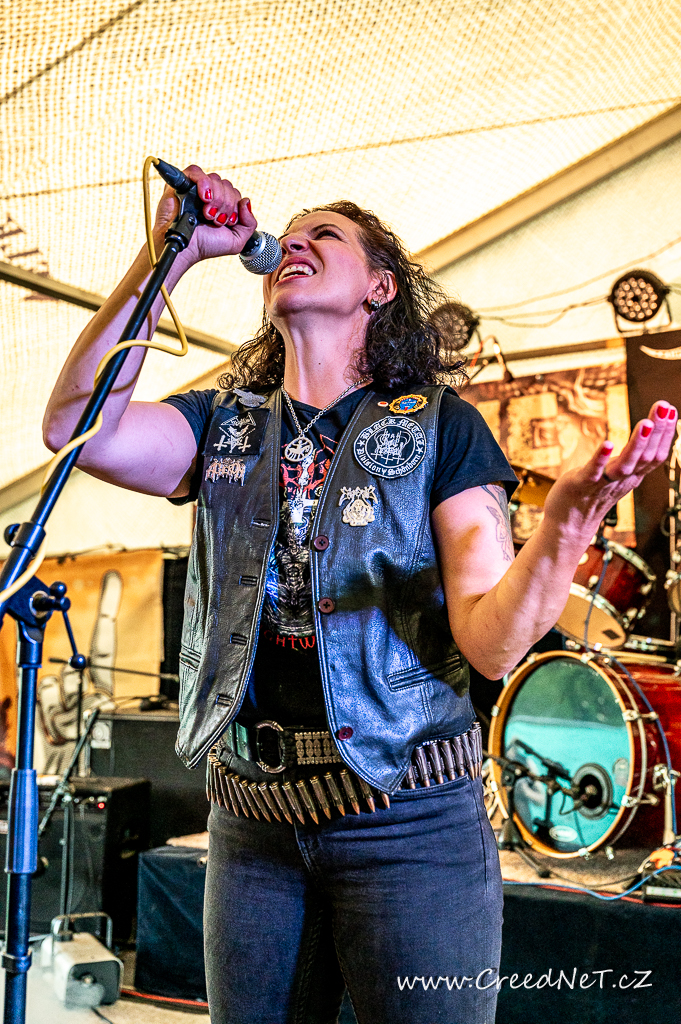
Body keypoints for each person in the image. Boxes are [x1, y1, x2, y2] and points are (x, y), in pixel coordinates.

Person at [43, 166, 678, 1024]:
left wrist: (567, 525)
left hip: (406, 822)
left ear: (380, 287)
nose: (295, 242)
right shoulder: (221, 422)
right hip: (251, 820)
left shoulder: (441, 425)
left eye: (326, 234)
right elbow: (75, 427)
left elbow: (491, 644)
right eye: (291, 233)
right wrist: (169, 253)